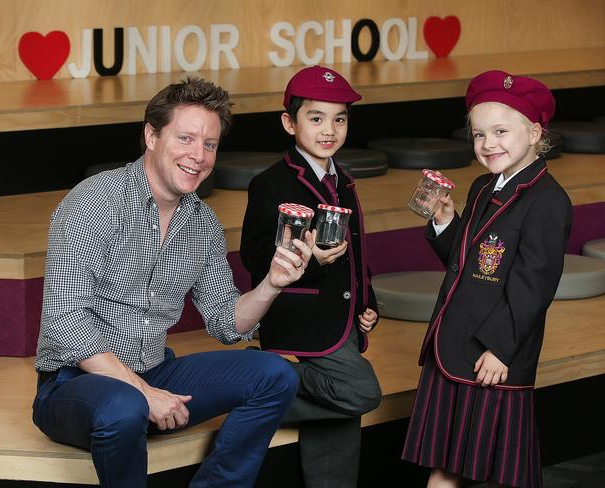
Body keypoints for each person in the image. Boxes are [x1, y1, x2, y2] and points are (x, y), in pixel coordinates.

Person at [32, 77, 314, 488]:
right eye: (185, 138)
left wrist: (272, 282)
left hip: (154, 373)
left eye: (210, 144)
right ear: (151, 135)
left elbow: (226, 323)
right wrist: (143, 392)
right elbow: (63, 322)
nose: (198, 156)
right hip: (73, 385)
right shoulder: (93, 203)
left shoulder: (202, 224)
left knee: (276, 375)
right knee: (124, 406)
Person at [401, 70, 572, 488]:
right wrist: (445, 222)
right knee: (447, 463)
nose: (488, 144)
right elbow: (466, 264)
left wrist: (500, 348)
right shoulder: (480, 186)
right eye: (479, 135)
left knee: (496, 471)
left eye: (500, 131)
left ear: (534, 132)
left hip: (492, 357)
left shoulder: (549, 201)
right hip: (454, 343)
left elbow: (534, 286)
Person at [240, 65, 382, 488]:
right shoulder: (270, 183)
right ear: (290, 122)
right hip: (301, 318)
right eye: (316, 118)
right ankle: (253, 384)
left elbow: (356, 252)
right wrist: (310, 260)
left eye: (339, 119)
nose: (329, 130)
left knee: (336, 420)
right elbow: (255, 256)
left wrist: (368, 303)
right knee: (359, 393)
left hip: (341, 319)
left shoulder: (344, 180)